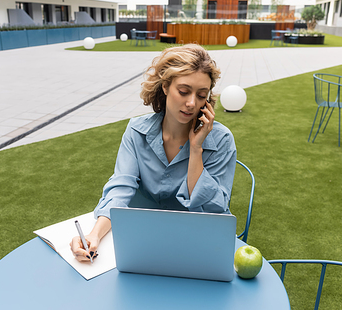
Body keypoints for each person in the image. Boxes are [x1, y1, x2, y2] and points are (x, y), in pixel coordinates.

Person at [70, 44, 237, 262]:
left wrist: (196, 149)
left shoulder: (221, 140)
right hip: (141, 241)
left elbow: (214, 211)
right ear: (166, 86)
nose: (191, 103)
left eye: (201, 95)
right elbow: (120, 188)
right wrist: (94, 234)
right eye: (184, 91)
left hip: (197, 244)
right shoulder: (136, 131)